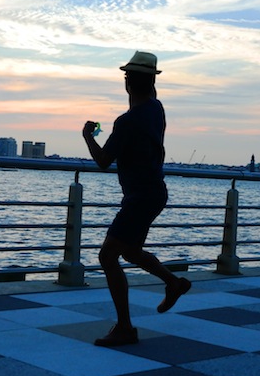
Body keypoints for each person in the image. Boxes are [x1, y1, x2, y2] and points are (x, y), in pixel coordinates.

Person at [82, 51, 191, 347]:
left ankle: (125, 328)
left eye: (127, 77)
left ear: (128, 81)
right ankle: (173, 282)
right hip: (154, 193)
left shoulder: (127, 121)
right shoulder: (157, 109)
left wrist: (88, 136)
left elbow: (104, 160)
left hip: (140, 197)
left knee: (107, 256)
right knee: (129, 252)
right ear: (153, 82)